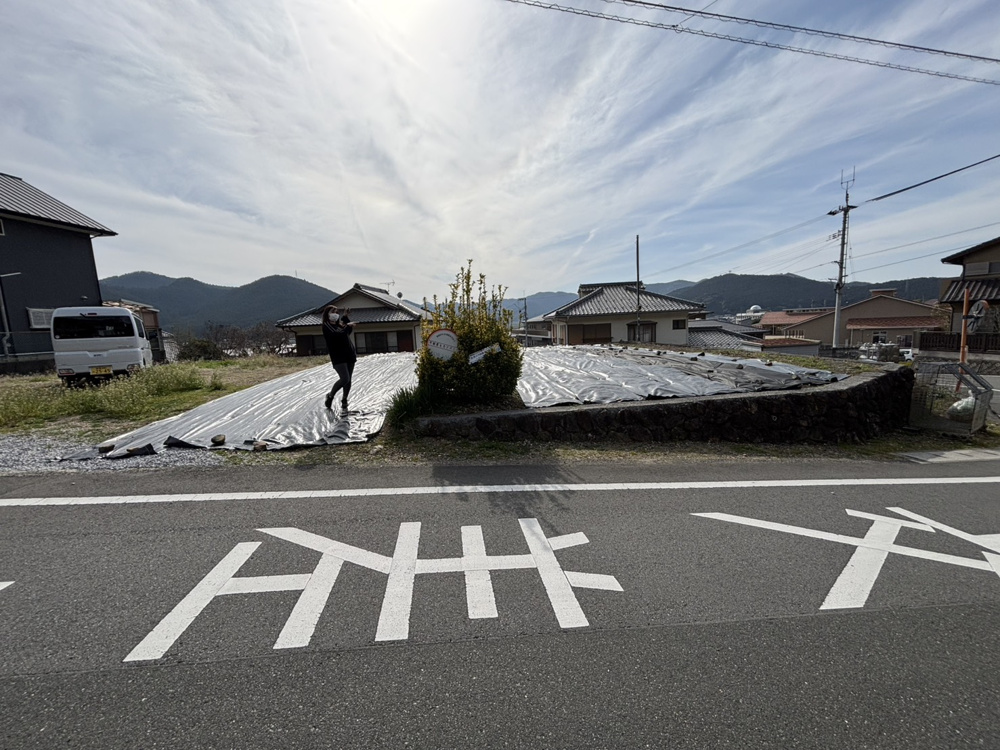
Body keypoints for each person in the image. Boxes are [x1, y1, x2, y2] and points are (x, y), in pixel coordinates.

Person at [321, 305, 357, 411]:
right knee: (345, 378)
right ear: (327, 314)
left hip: (349, 354)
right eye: (333, 312)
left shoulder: (339, 325)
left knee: (348, 379)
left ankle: (344, 399)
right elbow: (338, 334)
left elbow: (346, 332)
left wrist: (345, 318)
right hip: (338, 356)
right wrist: (348, 326)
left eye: (337, 312)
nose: (335, 314)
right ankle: (330, 395)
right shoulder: (327, 326)